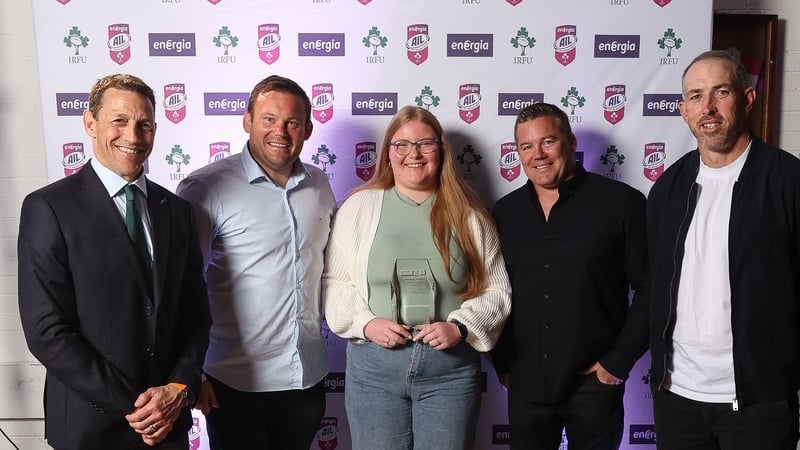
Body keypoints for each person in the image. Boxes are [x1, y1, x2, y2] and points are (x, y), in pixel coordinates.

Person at [17, 74, 211, 450]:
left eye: (145, 125)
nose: (133, 136)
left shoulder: (177, 211)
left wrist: (176, 389)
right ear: (90, 123)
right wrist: (138, 407)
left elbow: (195, 313)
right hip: (92, 427)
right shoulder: (49, 208)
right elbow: (47, 332)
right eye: (119, 121)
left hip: (167, 423)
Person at [322, 105, 512, 450]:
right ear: (388, 154)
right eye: (402, 145)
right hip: (374, 367)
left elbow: (496, 289)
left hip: (450, 370)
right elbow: (335, 282)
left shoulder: (471, 216)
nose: (414, 153)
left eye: (425, 143)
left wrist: (461, 327)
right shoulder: (358, 208)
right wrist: (365, 323)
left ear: (441, 151)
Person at [648, 49, 800, 450]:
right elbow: (654, 286)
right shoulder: (667, 189)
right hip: (677, 396)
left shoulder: (788, 180)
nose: (709, 107)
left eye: (721, 92)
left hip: (759, 401)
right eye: (696, 96)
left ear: (747, 98)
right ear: (683, 110)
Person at [176, 74, 335, 450]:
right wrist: (190, 372)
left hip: (305, 379)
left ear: (308, 129)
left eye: (292, 122)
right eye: (268, 119)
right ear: (247, 120)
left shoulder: (320, 185)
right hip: (233, 383)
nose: (280, 131)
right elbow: (183, 287)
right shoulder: (206, 188)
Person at [490, 102, 650, 450]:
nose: (538, 155)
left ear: (571, 141)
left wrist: (616, 363)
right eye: (526, 146)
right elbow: (492, 292)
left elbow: (652, 289)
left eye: (548, 141)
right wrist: (502, 362)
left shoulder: (623, 204)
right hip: (526, 384)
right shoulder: (504, 213)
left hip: (594, 384)